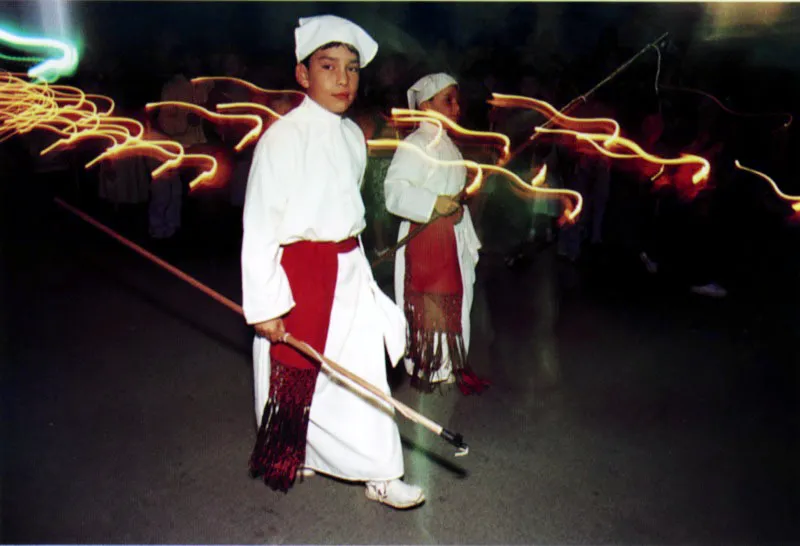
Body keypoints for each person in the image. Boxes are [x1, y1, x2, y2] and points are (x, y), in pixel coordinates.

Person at [241, 14, 424, 509]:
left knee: (362, 372)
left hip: (348, 271)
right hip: (299, 277)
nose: (343, 79)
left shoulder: (351, 137)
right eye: (328, 66)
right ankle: (295, 447)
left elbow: (349, 210)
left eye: (351, 68)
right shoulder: (281, 139)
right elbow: (259, 228)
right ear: (303, 75)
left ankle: (381, 472)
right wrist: (266, 306)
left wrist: (360, 258)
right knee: (301, 375)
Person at [383, 73, 487, 395]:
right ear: (426, 105)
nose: (456, 108)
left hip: (453, 238)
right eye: (448, 101)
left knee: (458, 306)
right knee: (430, 310)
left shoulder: (450, 144)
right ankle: (430, 369)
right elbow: (394, 193)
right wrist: (432, 203)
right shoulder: (416, 144)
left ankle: (450, 367)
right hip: (426, 239)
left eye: (457, 100)